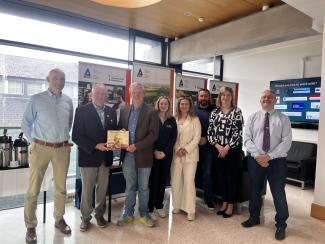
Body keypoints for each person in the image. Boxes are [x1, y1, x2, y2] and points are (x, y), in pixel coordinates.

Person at [21, 68, 73, 244]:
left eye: (63, 79)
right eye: (56, 78)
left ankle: (59, 219)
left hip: (62, 149)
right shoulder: (36, 99)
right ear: (48, 79)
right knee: (33, 189)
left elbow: (69, 123)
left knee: (60, 188)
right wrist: (34, 142)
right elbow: (25, 122)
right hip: (40, 147)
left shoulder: (68, 101)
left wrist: (64, 141)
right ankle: (30, 226)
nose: (59, 81)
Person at [241, 90, 292, 241]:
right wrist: (258, 156)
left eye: (269, 97)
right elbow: (247, 139)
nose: (266, 99)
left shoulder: (283, 119)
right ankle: (254, 217)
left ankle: (281, 224)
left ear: (275, 100)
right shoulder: (253, 117)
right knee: (255, 190)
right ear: (260, 100)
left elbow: (286, 142)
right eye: (263, 97)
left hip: (277, 162)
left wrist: (269, 156)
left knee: (278, 193)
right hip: (255, 160)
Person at [72, 83, 117, 232]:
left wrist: (118, 137)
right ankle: (85, 218)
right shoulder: (81, 111)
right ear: (92, 94)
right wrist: (95, 145)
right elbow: (76, 136)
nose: (101, 96)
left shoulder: (111, 111)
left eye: (104, 94)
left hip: (106, 158)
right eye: (98, 93)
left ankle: (99, 215)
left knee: (102, 189)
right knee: (87, 190)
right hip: (89, 156)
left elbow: (113, 133)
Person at [116, 82, 159, 228]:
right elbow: (120, 129)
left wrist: (137, 146)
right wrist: (120, 134)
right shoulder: (124, 110)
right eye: (134, 92)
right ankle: (127, 213)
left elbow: (153, 134)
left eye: (139, 92)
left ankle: (144, 214)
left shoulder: (152, 112)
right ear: (130, 93)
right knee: (130, 186)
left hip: (144, 155)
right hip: (127, 155)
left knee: (144, 187)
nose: (136, 94)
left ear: (143, 93)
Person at [207, 86, 243, 218]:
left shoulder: (237, 112)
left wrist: (226, 148)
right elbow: (210, 132)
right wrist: (218, 146)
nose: (225, 97)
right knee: (221, 177)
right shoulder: (214, 112)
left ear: (232, 97)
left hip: (232, 150)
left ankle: (231, 204)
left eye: (228, 95)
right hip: (217, 149)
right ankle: (224, 201)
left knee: (231, 177)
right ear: (220, 97)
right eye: (223, 95)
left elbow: (238, 133)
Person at [171, 96, 201, 221]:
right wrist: (178, 148)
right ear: (178, 105)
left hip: (191, 155)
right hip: (176, 154)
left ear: (190, 106)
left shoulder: (195, 119)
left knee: (189, 182)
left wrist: (186, 149)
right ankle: (177, 205)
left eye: (186, 104)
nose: (184, 106)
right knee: (176, 181)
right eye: (182, 104)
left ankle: (190, 210)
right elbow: (171, 137)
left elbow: (197, 137)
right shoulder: (173, 119)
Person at [148, 96, 177, 219]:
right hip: (153, 154)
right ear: (158, 104)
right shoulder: (153, 118)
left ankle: (159, 206)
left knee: (162, 181)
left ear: (169, 105)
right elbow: (149, 135)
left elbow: (173, 138)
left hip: (166, 155)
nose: (163, 105)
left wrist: (165, 152)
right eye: (161, 103)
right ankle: (150, 207)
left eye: (166, 103)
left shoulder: (172, 120)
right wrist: (155, 150)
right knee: (153, 180)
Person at [195, 88, 215, 210]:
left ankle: (208, 199)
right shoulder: (193, 110)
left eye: (205, 96)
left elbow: (217, 129)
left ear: (209, 97)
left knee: (208, 173)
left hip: (209, 147)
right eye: (201, 96)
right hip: (194, 146)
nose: (203, 98)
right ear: (198, 97)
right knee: (192, 173)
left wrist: (206, 138)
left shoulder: (215, 111)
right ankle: (190, 198)